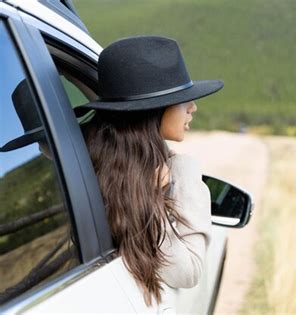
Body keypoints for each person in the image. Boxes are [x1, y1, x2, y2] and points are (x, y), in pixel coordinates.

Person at [76, 35, 223, 307]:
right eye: (183, 99)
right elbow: (188, 271)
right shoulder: (175, 172)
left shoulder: (81, 156)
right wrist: (159, 196)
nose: (193, 107)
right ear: (153, 110)